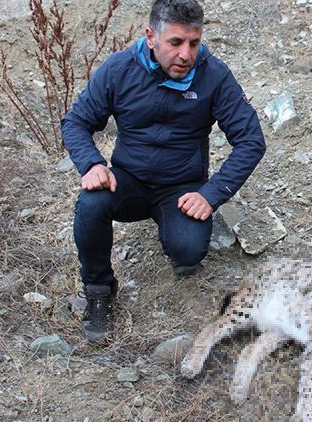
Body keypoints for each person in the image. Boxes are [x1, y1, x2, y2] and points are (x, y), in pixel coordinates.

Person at [61, 0, 266, 343]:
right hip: (128, 180)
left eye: (194, 43)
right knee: (92, 201)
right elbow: (76, 122)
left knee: (187, 253)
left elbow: (251, 141)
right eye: (175, 43)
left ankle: (173, 231)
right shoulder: (119, 69)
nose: (186, 54)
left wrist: (210, 195)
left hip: (182, 188)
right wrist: (92, 163)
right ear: (150, 37)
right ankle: (98, 291)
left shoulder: (213, 75)